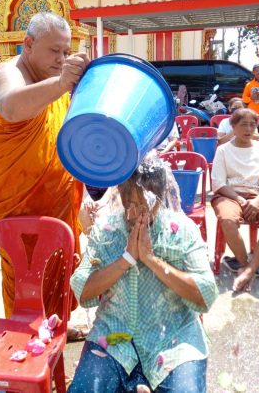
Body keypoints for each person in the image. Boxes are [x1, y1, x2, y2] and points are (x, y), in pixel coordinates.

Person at [0, 12, 89, 331]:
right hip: (18, 211)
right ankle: (26, 348)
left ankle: (56, 331)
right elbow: (11, 107)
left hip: (58, 204)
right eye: (54, 50)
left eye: (66, 52)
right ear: (28, 44)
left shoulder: (51, 84)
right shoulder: (6, 73)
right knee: (27, 287)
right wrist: (62, 81)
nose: (61, 58)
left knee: (60, 275)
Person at [69, 154, 217, 393]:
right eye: (130, 203)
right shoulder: (107, 233)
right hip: (113, 337)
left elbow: (206, 294)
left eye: (145, 205)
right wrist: (125, 260)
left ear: (160, 198)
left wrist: (151, 260)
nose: (137, 213)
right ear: (121, 195)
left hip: (173, 340)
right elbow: (81, 288)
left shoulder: (182, 231)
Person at [211, 108, 259, 292]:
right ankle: (243, 262)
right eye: (243, 124)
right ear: (233, 127)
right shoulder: (223, 150)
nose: (249, 129)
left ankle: (249, 269)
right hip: (229, 194)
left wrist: (258, 201)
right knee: (227, 220)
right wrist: (240, 200)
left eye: (253, 124)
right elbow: (219, 183)